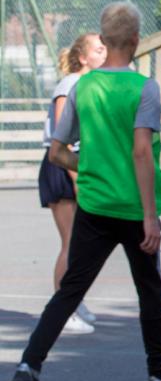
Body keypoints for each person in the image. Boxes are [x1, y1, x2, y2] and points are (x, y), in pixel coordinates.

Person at [9, 2, 161, 381]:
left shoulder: (81, 86)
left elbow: (57, 152)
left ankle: (28, 367)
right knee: (149, 292)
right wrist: (150, 215)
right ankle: (158, 373)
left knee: (71, 289)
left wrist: (89, 167)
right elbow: (141, 151)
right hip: (133, 207)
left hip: (94, 205)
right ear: (136, 41)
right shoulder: (144, 88)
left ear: (104, 40)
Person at [37, 32, 106, 334]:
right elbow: (62, 139)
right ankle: (61, 312)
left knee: (80, 244)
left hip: (79, 164)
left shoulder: (92, 85)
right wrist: (77, 177)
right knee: (70, 242)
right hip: (62, 166)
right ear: (83, 57)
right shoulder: (70, 85)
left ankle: (73, 302)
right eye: (98, 49)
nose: (105, 53)